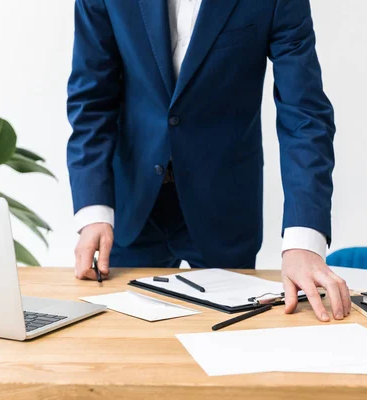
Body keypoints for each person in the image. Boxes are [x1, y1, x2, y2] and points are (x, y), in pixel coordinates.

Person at [67, 0, 351, 322]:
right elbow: (91, 100)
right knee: (124, 347)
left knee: (229, 351)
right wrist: (93, 209)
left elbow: (304, 116)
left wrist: (303, 242)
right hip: (130, 206)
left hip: (223, 205)